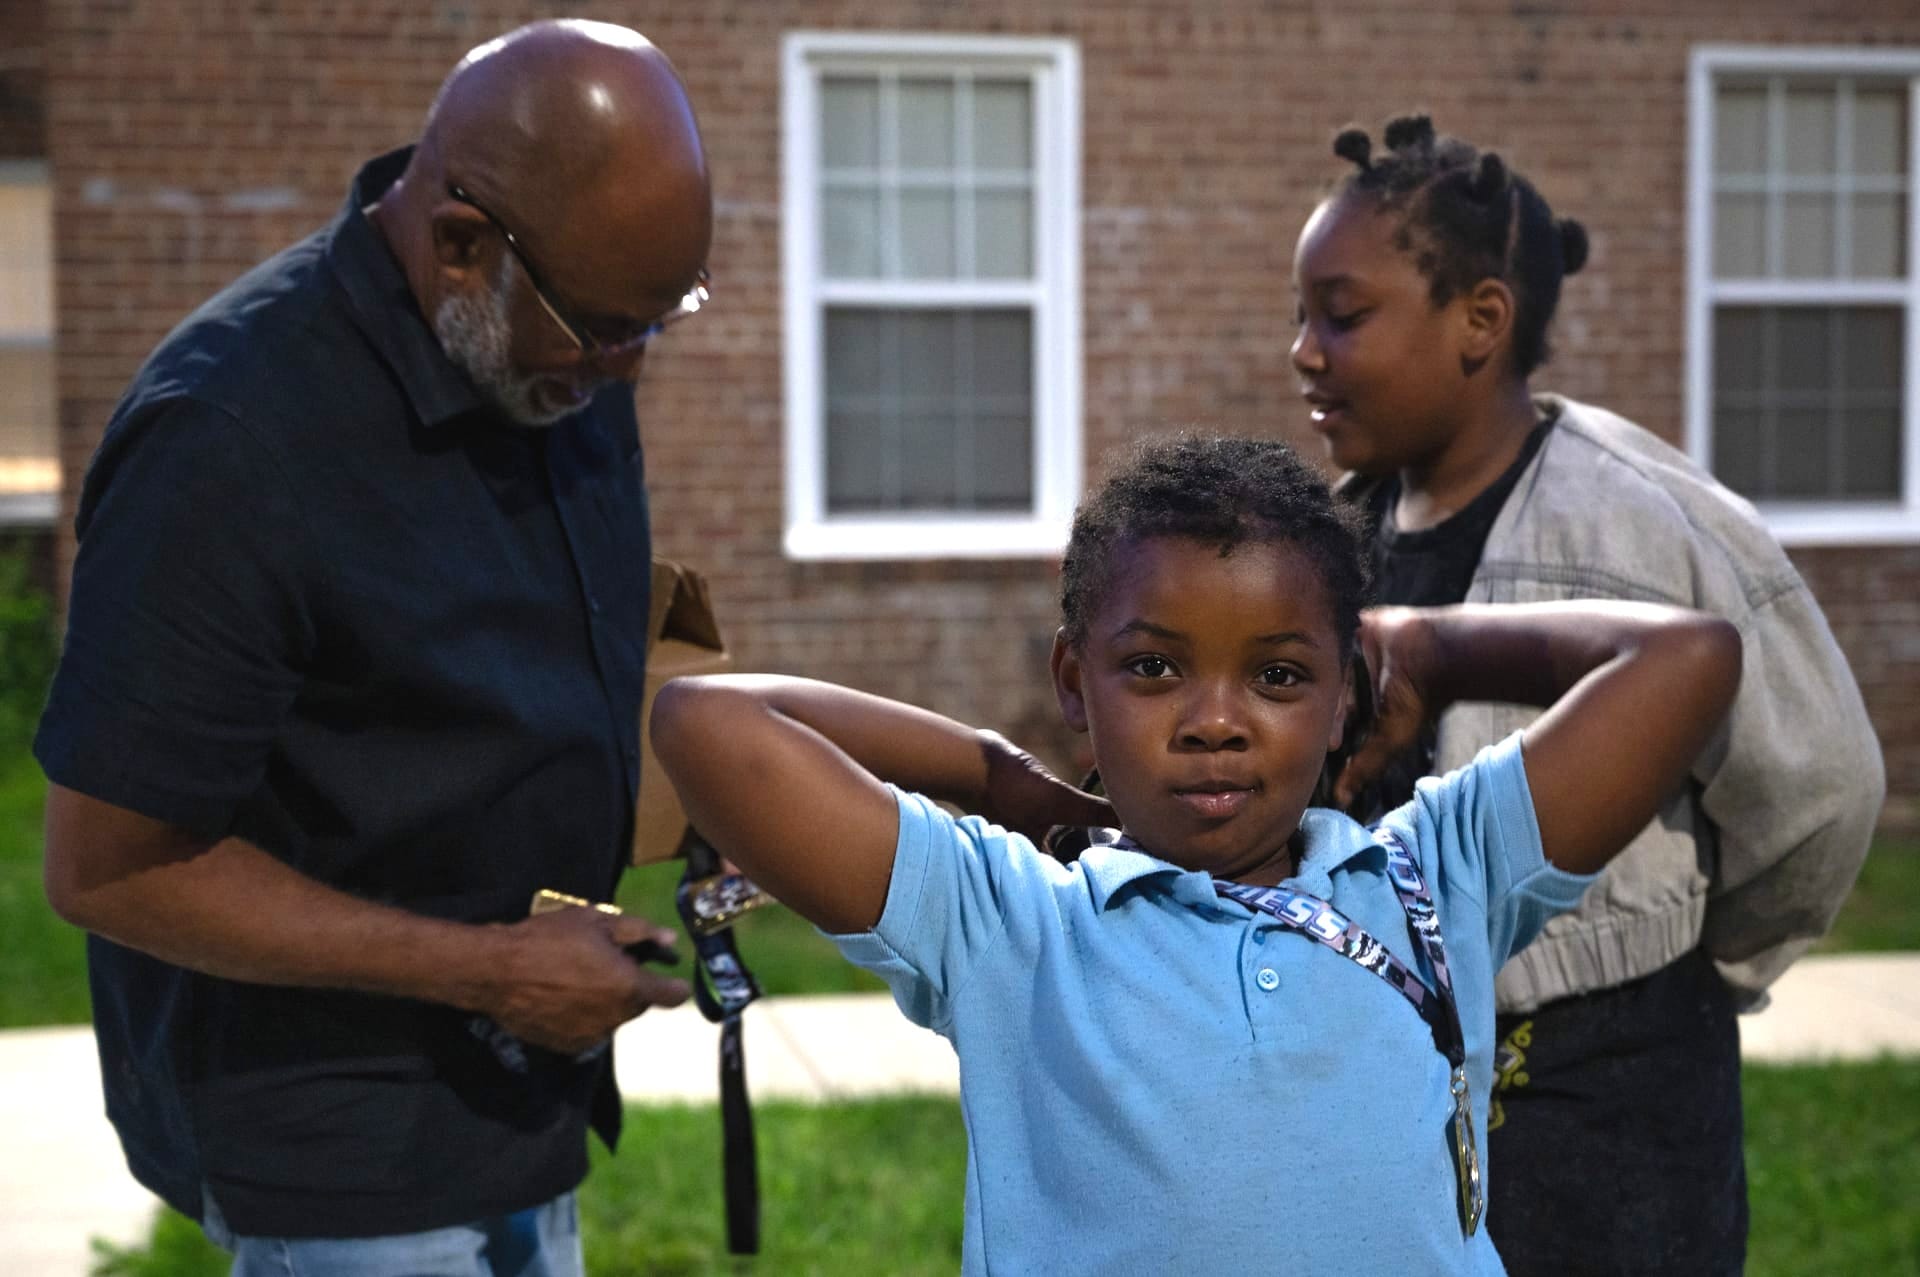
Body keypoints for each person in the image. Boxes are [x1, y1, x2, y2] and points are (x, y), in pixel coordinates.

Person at [650, 435, 1742, 1275]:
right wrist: (993, 775)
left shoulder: (1434, 875)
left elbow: (1691, 658)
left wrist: (1430, 649)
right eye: (1155, 669)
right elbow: (704, 721)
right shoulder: (1012, 920)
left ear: (1343, 697)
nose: (1215, 721)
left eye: (1277, 675)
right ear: (1075, 681)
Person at [37, 20, 711, 1274]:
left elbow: (533, 658)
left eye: (657, 325)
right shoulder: (230, 440)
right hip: (331, 1133)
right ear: (463, 247)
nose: (628, 372)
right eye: (607, 330)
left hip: (521, 1092)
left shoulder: (552, 355)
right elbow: (109, 866)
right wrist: (489, 971)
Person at [1291, 114, 1885, 1275]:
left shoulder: (1638, 522)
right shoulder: (1340, 533)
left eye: (1342, 315)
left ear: (1480, 322)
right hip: (1396, 1080)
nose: (1305, 352)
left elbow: (1821, 790)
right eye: (1300, 316)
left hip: (1612, 1101)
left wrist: (1687, 958)